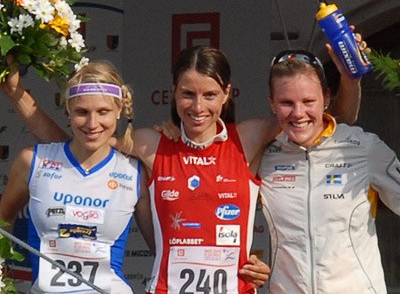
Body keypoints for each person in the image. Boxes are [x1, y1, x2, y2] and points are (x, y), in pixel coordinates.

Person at [0, 42, 362, 292]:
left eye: (209, 95)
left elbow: (326, 127)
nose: (198, 106)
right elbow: (75, 142)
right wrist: (16, 93)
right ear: (173, 93)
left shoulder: (247, 138)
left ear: (227, 95)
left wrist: (349, 78)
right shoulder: (152, 143)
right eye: (188, 94)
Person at [0, 61, 154, 293]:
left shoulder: (134, 173)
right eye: (82, 112)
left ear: (119, 110)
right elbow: (3, 222)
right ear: (68, 112)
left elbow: (163, 250)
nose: (93, 124)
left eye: (103, 112)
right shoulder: (33, 162)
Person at [259, 49, 400, 293]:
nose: (298, 113)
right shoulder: (263, 154)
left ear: (326, 98)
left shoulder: (363, 148)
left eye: (308, 101)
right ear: (272, 102)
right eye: (286, 103)